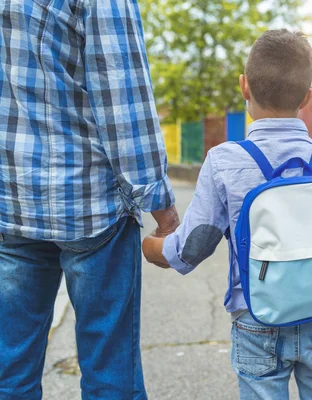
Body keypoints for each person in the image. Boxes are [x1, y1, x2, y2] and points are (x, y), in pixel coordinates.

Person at [143, 29, 312, 400]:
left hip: (258, 319)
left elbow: (193, 246)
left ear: (244, 87)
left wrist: (150, 246)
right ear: (308, 97)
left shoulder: (225, 160)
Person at [0, 1, 179, 399]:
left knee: (9, 372)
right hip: (89, 205)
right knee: (110, 374)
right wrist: (164, 212)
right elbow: (123, 97)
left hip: (10, 202)